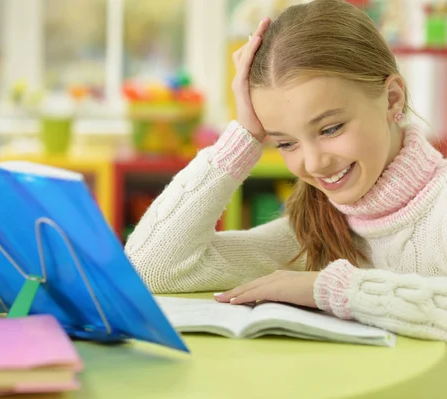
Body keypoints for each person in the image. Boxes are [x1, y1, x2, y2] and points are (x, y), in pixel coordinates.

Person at [124, 0, 447, 341]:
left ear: (393, 99)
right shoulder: (314, 230)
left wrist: (333, 289)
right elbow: (150, 268)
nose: (313, 163)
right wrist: (243, 136)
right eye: (286, 143)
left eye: (331, 128)